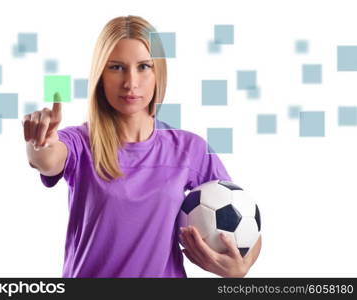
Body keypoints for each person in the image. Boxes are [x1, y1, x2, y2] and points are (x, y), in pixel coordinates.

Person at [22, 15, 261, 278]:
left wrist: (242, 266)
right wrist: (40, 142)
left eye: (144, 67)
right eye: (116, 67)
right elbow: (47, 158)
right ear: (100, 74)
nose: (130, 82)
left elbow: (243, 215)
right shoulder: (80, 142)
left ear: (158, 72)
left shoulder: (189, 149)